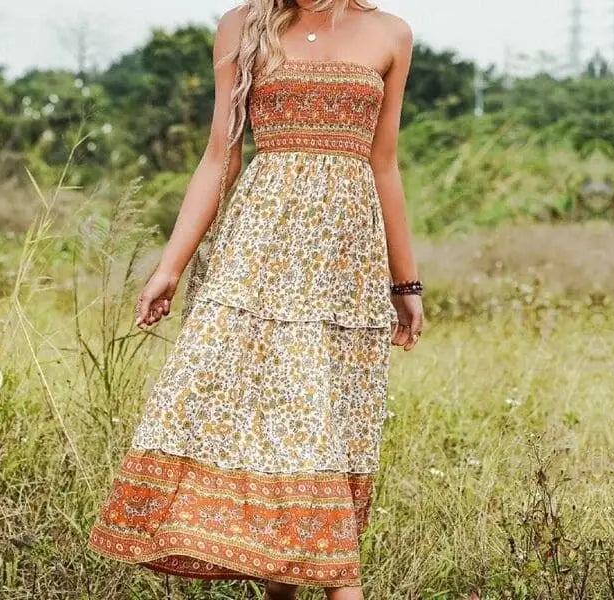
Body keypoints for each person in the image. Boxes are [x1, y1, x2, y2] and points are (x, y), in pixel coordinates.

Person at [88, 1, 423, 598]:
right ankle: (339, 582)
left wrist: (406, 282)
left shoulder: (391, 34)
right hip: (258, 256)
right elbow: (220, 155)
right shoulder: (243, 25)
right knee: (272, 417)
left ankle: (300, 575)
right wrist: (170, 267)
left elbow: (384, 164)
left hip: (344, 265)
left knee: (321, 423)